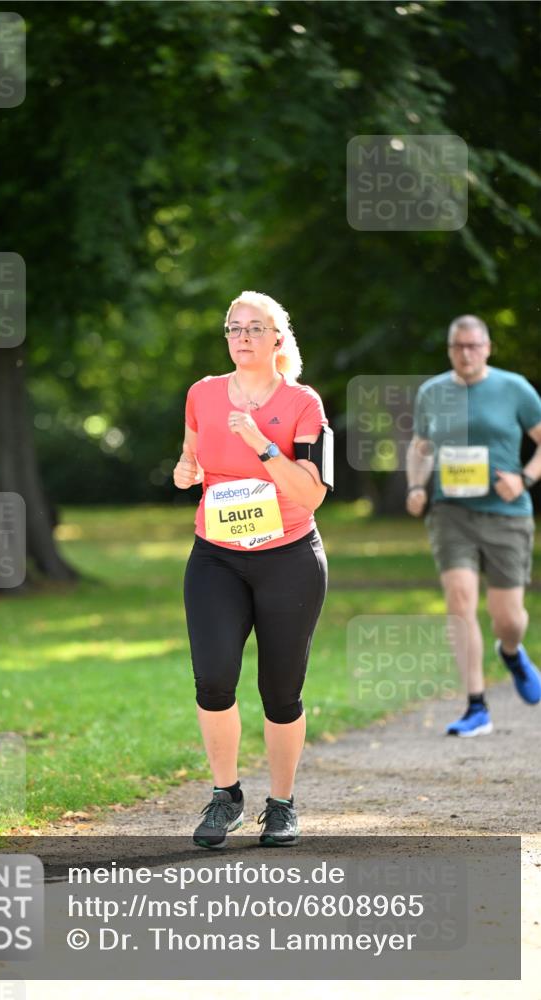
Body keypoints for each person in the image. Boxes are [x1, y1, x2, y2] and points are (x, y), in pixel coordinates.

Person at [173, 290, 332, 848]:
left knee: (280, 690)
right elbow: (191, 456)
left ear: (277, 339)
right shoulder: (202, 393)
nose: (241, 337)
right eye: (233, 328)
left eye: (254, 328)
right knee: (213, 678)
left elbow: (311, 496)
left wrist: (263, 445)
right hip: (216, 556)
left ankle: (282, 805)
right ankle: (226, 796)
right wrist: (186, 471)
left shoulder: (303, 404)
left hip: (288, 557)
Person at [406, 314, 541, 736]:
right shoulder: (433, 392)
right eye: (458, 346)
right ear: (450, 350)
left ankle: (512, 651)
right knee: (460, 599)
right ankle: (476, 707)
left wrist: (526, 478)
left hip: (507, 513)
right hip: (451, 513)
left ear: (487, 347)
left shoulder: (514, 387)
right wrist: (415, 485)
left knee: (508, 618)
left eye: (474, 345)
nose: (466, 353)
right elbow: (422, 446)